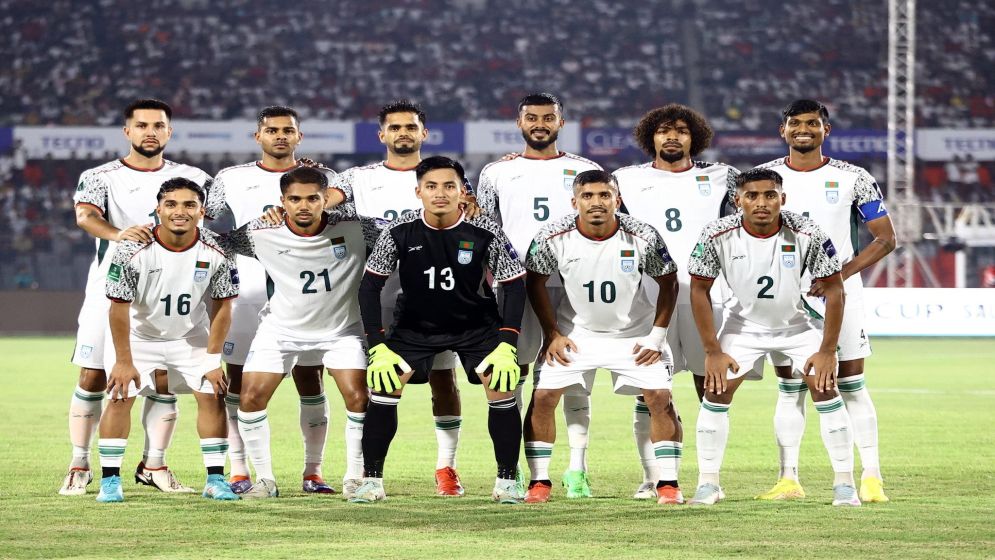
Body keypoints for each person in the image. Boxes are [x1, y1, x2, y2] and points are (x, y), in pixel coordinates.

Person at [354, 156, 526, 504]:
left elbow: (514, 284)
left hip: (475, 325)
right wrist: (377, 346)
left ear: (463, 191)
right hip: (415, 326)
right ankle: (371, 481)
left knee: (502, 385)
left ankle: (507, 481)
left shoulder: (485, 229)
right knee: (384, 384)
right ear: (418, 191)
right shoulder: (399, 229)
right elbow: (369, 286)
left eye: (449, 186)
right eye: (431, 186)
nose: (440, 193)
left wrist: (507, 342)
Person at [63, 99, 213, 495]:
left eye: (158, 125)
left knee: (163, 380)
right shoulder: (101, 175)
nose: (151, 132)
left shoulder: (193, 177)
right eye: (142, 125)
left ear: (169, 132)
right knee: (94, 375)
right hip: (110, 290)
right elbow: (85, 216)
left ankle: (154, 465)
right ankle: (79, 464)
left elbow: (218, 215)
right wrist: (118, 234)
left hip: (170, 292)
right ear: (127, 131)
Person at [686, 168, 860, 507]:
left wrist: (827, 350)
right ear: (737, 200)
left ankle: (845, 484)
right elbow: (698, 290)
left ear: (783, 198)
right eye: (752, 196)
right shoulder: (716, 233)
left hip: (797, 326)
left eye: (770, 195)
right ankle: (708, 484)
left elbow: (835, 291)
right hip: (742, 326)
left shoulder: (808, 232)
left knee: (826, 388)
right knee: (715, 391)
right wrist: (712, 350)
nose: (762, 203)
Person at [757, 99, 896, 503]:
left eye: (812, 123)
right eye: (795, 123)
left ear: (826, 130)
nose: (804, 129)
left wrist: (840, 275)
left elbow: (886, 238)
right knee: (790, 387)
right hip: (783, 295)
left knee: (850, 384)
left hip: (840, 293)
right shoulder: (766, 178)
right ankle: (788, 479)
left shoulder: (854, 177)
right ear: (783, 130)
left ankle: (871, 476)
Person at [331, 100, 467, 496]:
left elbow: (470, 217)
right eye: (395, 127)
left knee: (444, 381)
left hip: (437, 294)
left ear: (424, 133)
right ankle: (361, 471)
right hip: (377, 293)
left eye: (410, 127)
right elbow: (323, 199)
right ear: (382, 135)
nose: (403, 133)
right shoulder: (357, 178)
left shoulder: (445, 175)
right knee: (375, 384)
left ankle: (446, 468)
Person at [206, 106, 343, 495]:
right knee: (237, 382)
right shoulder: (231, 178)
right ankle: (239, 470)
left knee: (311, 379)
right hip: (247, 293)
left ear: (299, 136)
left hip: (307, 294)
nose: (280, 136)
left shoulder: (325, 178)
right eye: (272, 130)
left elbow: (344, 221)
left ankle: (313, 471)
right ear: (258, 137)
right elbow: (205, 222)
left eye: (287, 130)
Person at [523, 170, 683, 504]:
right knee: (544, 397)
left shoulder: (642, 235)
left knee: (659, 398)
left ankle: (668, 484)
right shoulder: (552, 236)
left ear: (617, 200)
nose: (596, 202)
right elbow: (535, 282)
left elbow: (669, 282)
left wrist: (656, 336)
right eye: (588, 196)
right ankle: (539, 482)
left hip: (635, 335)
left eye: (605, 195)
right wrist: (552, 333)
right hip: (575, 334)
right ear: (574, 202)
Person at [216, 167, 373, 499]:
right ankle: (265, 481)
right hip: (280, 328)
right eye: (295, 199)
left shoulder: (357, 227)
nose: (304, 206)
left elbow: (407, 229)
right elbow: (218, 243)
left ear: (325, 199)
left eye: (313, 198)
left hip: (342, 330)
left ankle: (354, 478)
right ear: (282, 201)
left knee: (359, 398)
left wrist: (467, 211)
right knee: (250, 397)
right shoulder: (260, 231)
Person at [476, 92, 602, 498]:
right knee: (511, 376)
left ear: (561, 123)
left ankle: (577, 469)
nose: (540, 124)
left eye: (548, 118)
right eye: (532, 118)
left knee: (573, 377)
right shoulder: (496, 172)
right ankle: (513, 469)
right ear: (520, 123)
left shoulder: (584, 169)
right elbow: (484, 230)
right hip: (514, 285)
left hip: (574, 285)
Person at [613, 103, 738, 499]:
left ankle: (709, 479)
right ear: (650, 137)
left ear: (694, 137)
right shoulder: (624, 179)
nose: (672, 136)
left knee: (711, 388)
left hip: (707, 295)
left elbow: (761, 202)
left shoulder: (723, 176)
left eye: (681, 131)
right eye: (664, 130)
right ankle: (653, 478)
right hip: (647, 298)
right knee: (647, 391)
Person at [96, 178, 238, 503]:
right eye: (171, 204)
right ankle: (110, 482)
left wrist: (212, 360)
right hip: (138, 337)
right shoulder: (132, 248)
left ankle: (216, 480)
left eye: (189, 205)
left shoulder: (218, 249)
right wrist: (123, 360)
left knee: (212, 394)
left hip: (190, 337)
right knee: (119, 396)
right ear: (158, 209)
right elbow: (118, 309)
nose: (180, 211)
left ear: (202, 211)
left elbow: (223, 307)